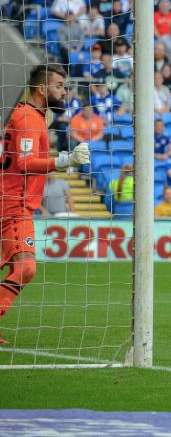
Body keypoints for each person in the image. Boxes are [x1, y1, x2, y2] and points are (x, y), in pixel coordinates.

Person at [0, 64, 92, 340]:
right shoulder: (28, 118)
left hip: (15, 202)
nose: (64, 92)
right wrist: (63, 160)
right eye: (59, 86)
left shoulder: (33, 115)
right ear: (42, 88)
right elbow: (25, 162)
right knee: (25, 267)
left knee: (21, 267)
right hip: (13, 204)